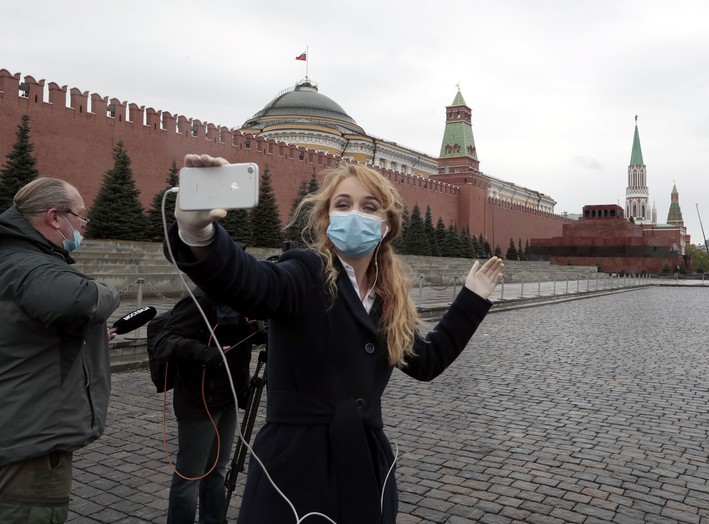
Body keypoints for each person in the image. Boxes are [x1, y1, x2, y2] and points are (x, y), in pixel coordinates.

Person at [165, 155, 504, 523]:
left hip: (364, 463)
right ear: (327, 219)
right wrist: (199, 235)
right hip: (296, 467)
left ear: (386, 225)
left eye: (369, 206)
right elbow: (251, 282)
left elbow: (427, 361)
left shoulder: (385, 298)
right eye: (342, 204)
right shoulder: (303, 272)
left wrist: (471, 299)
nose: (353, 213)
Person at [0, 177, 120, 522]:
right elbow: (81, 299)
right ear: (55, 217)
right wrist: (104, 289)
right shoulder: (30, 265)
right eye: (80, 218)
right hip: (26, 447)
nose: (82, 227)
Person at [152, 286, 257, 524]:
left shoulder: (239, 296)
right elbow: (165, 341)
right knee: (190, 475)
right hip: (198, 398)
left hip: (228, 395)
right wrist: (206, 353)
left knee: (218, 470)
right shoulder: (200, 299)